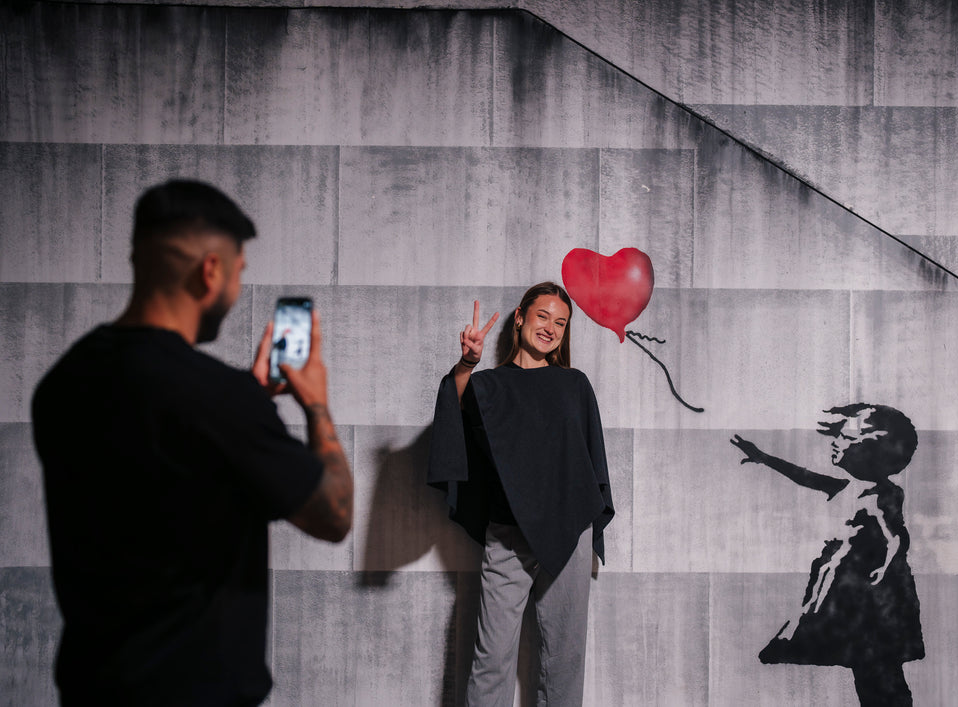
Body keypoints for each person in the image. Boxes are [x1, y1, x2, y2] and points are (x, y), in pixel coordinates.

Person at [31, 180, 353, 706]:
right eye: (238, 273)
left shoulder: (65, 380)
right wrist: (316, 405)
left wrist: (247, 400)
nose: (236, 289)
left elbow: (162, 472)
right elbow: (333, 515)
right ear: (210, 271)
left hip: (92, 689)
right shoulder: (220, 400)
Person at [428, 282, 615, 707]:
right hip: (508, 535)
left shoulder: (574, 384)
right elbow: (455, 415)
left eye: (560, 323)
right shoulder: (488, 384)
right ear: (520, 317)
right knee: (491, 660)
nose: (550, 327)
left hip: (569, 532)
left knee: (564, 660)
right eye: (542, 316)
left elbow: (591, 460)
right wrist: (467, 363)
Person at [730, 403, 924, 707]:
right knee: (872, 670)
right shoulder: (848, 487)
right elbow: (805, 477)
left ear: (871, 451)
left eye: (845, 438)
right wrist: (764, 458)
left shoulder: (879, 494)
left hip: (870, 595)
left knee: (878, 671)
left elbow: (897, 536)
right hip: (850, 586)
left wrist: (886, 566)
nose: (836, 442)